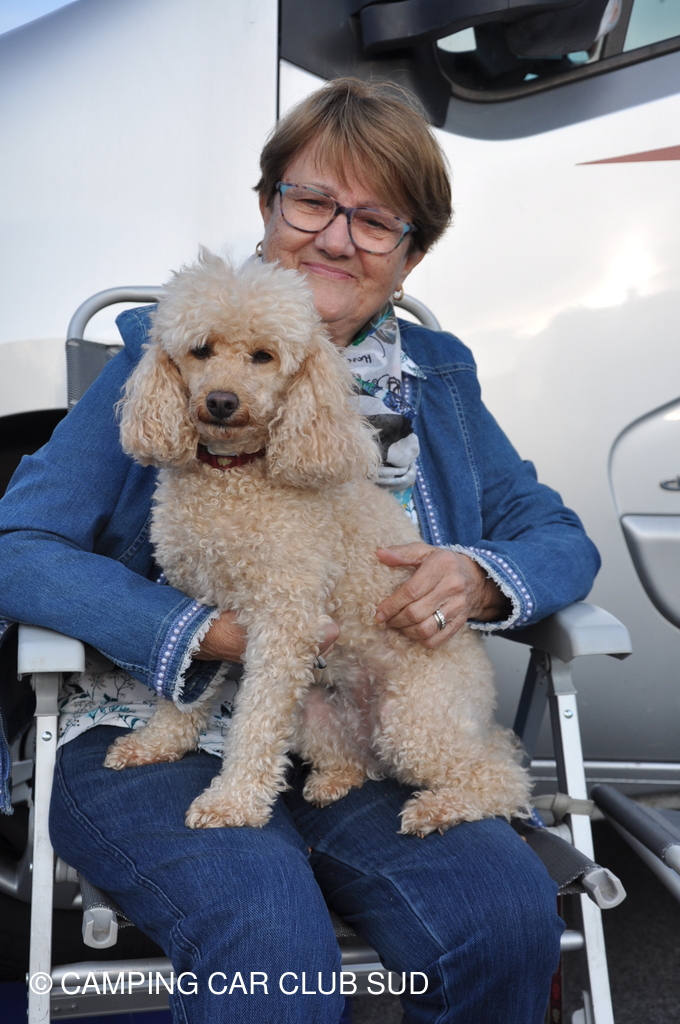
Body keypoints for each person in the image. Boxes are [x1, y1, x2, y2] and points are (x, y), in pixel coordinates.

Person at [0, 78, 600, 1023]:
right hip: (152, 726)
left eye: (376, 220)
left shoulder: (436, 378)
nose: (336, 238)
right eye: (313, 201)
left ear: (412, 254)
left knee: (503, 917)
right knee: (271, 952)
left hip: (354, 728)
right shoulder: (166, 355)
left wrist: (479, 577)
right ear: (267, 206)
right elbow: (18, 543)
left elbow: (557, 536)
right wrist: (195, 630)